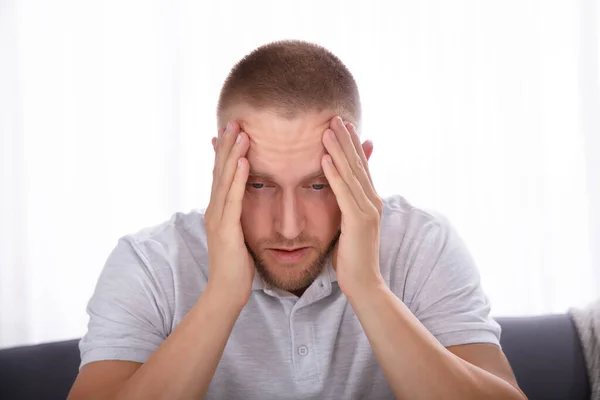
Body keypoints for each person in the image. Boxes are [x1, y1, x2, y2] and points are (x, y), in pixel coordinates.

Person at [67, 40, 526, 400]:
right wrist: (224, 295)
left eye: (317, 184)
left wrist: (368, 287)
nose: (287, 227)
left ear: (360, 171)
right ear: (222, 166)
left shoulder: (422, 244)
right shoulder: (150, 265)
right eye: (259, 184)